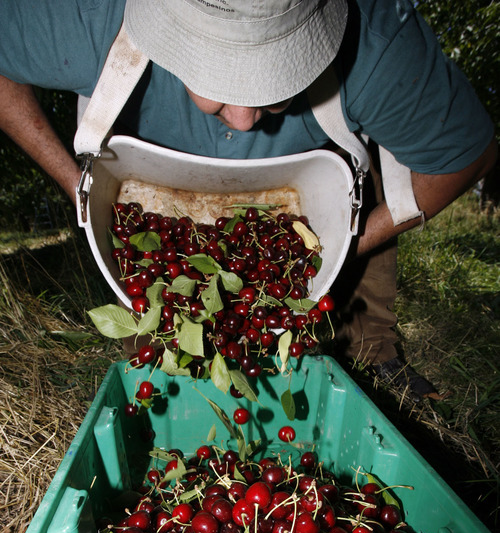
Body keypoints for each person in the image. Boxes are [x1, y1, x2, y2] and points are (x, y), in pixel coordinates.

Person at [0, 0, 496, 402]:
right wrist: (75, 184)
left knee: (363, 195)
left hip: (308, 192)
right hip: (146, 192)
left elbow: (465, 156)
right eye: (216, 85)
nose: (243, 118)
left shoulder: (377, 42)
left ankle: (374, 350)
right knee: (166, 358)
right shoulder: (83, 14)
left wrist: (349, 244)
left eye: (274, 85)